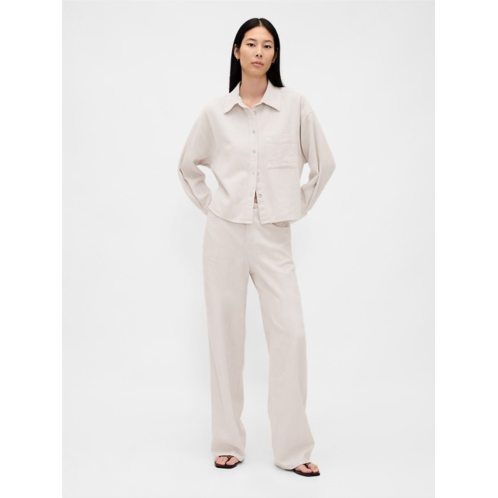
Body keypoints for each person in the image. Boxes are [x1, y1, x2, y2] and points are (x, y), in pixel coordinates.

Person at [177, 17, 336, 477]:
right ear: (236, 51)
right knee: (224, 336)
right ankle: (227, 441)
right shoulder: (215, 112)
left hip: (273, 234)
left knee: (290, 334)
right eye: (251, 44)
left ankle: (293, 449)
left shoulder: (295, 106)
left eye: (267, 45)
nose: (259, 52)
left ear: (275, 55)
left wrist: (294, 205)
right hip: (224, 233)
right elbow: (187, 166)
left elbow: (324, 164)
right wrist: (213, 206)